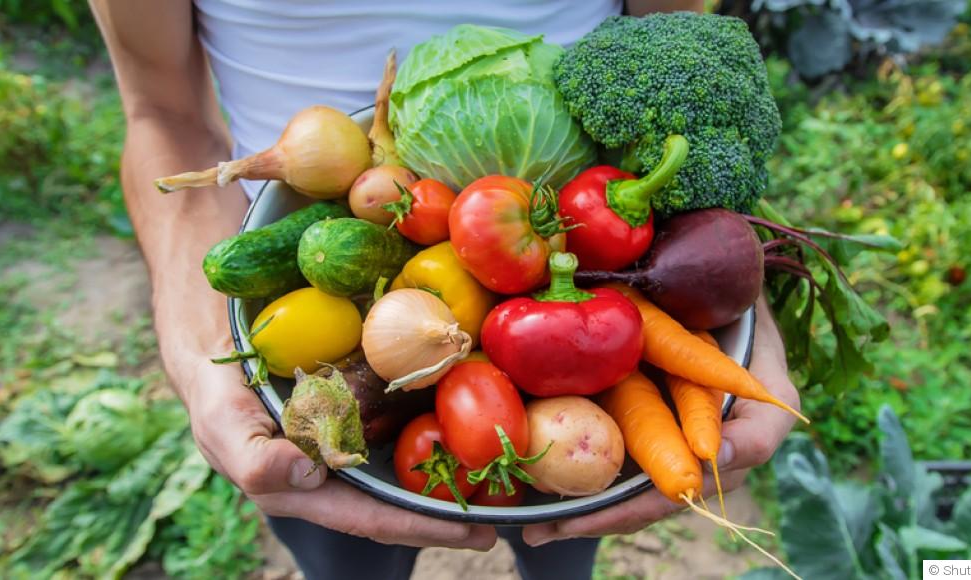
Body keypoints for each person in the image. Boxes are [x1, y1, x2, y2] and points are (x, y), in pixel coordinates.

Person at [88, 1, 801, 578]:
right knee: (344, 559)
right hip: (318, 214)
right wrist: (195, 352)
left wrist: (730, 282)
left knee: (568, 527)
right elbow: (161, 113)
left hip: (600, 238)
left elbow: (678, 84)